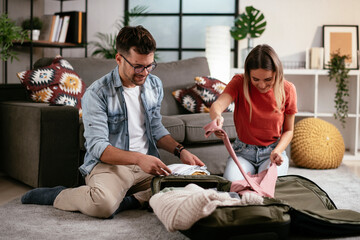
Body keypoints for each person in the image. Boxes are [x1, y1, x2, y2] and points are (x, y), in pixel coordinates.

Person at [21, 25, 204, 219]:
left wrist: (180, 151)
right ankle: (58, 194)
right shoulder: (97, 93)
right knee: (103, 205)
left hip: (146, 167)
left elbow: (156, 128)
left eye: (149, 65)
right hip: (110, 166)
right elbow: (98, 146)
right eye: (138, 66)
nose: (144, 72)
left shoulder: (153, 84)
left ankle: (130, 201)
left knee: (198, 183)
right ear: (119, 59)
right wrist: (139, 158)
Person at [209, 44, 297, 181]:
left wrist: (278, 151)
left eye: (268, 79)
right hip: (243, 153)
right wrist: (216, 118)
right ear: (248, 73)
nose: (261, 85)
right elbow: (217, 105)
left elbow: (289, 130)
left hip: (272, 151)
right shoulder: (239, 82)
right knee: (232, 186)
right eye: (255, 79)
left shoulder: (288, 89)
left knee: (268, 186)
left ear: (277, 73)